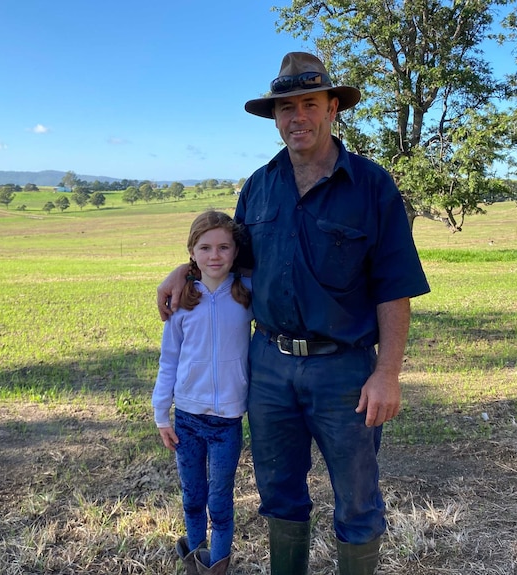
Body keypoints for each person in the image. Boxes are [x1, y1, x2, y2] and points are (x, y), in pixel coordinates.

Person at [157, 52, 430, 575]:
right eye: (286, 107)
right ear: (274, 117)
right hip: (269, 368)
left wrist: (387, 373)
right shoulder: (259, 186)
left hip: (345, 371)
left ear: (332, 109)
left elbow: (395, 289)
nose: (296, 117)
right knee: (279, 493)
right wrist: (183, 270)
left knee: (356, 498)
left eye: (309, 104)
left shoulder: (372, 187)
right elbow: (228, 262)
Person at [152, 210, 254, 575]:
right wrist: (161, 413)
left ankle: (218, 565)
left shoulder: (246, 295)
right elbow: (168, 361)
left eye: (224, 247)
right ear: (192, 253)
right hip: (188, 420)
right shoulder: (183, 301)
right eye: (205, 247)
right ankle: (194, 556)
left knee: (220, 500)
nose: (215, 255)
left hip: (227, 420)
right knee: (193, 496)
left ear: (235, 251)